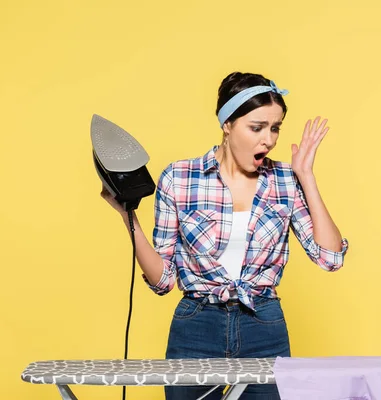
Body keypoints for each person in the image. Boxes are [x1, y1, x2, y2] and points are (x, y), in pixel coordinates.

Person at [101, 71, 349, 400]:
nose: (269, 139)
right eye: (257, 127)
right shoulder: (179, 178)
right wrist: (127, 216)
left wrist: (306, 176)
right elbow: (162, 281)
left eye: (275, 128)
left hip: (263, 324)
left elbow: (330, 258)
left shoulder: (286, 181)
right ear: (227, 124)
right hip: (196, 326)